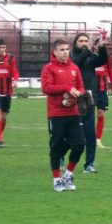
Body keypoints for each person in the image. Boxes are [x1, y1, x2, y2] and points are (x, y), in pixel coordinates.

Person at [41, 39, 86, 192]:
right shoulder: (49, 68)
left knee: (80, 144)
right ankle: (56, 180)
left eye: (67, 49)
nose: (65, 52)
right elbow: (46, 88)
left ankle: (68, 174)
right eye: (61, 49)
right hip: (56, 114)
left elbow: (80, 85)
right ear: (54, 52)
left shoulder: (74, 67)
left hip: (73, 112)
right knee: (57, 146)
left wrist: (78, 92)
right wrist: (67, 88)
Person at [70, 32, 108, 173]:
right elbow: (77, 63)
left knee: (90, 135)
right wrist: (87, 49)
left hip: (87, 98)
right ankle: (60, 156)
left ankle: (89, 164)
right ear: (75, 43)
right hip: (73, 98)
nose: (84, 43)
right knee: (72, 136)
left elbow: (102, 60)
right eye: (81, 41)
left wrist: (102, 47)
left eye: (86, 40)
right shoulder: (71, 57)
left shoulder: (89, 57)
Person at [94, 39, 112, 148]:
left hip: (102, 90)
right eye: (98, 44)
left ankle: (98, 139)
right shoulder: (90, 57)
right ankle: (86, 138)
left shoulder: (106, 58)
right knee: (86, 115)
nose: (99, 46)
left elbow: (111, 72)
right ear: (94, 45)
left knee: (100, 114)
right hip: (91, 90)